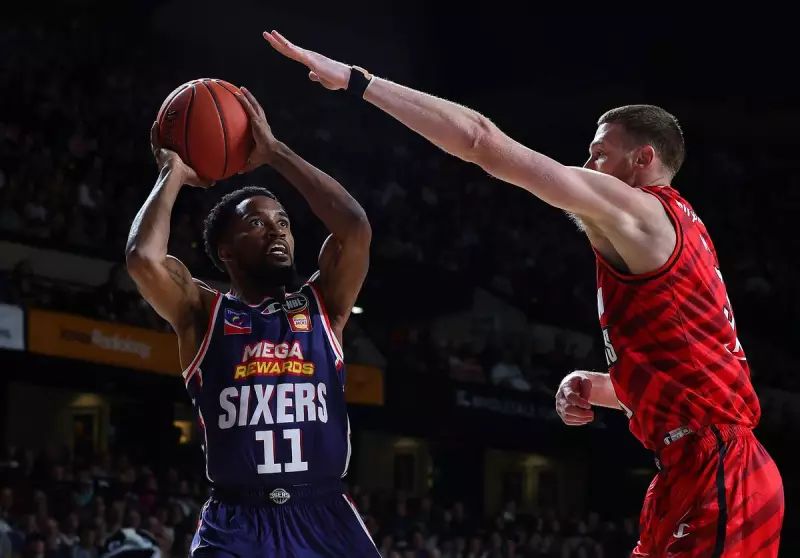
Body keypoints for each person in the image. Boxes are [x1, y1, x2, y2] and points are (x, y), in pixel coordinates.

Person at [262, 31, 784, 557]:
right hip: (691, 464)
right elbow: (689, 376)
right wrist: (603, 386)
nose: (587, 165)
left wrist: (359, 81)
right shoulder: (679, 232)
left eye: (599, 154)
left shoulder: (640, 210)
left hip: (719, 466)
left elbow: (481, 141)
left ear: (642, 159)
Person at [125, 87, 376, 556]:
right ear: (226, 252)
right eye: (257, 224)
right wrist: (173, 173)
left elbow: (355, 227)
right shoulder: (202, 312)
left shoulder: (325, 305)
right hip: (237, 522)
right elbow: (143, 258)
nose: (278, 231)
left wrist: (275, 153)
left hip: (324, 514)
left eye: (283, 222)